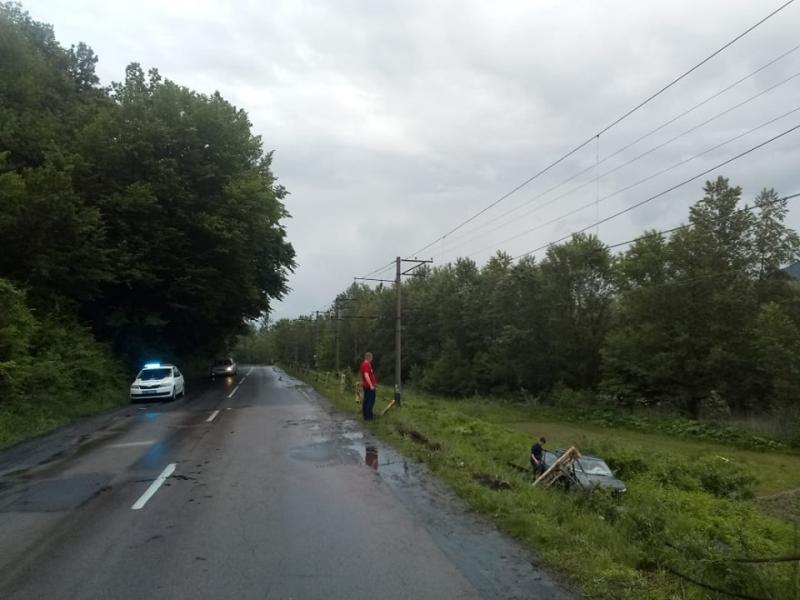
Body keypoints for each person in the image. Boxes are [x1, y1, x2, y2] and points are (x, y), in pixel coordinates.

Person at [360, 352, 377, 421]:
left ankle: (365, 416)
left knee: (366, 400)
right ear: (368, 357)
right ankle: (369, 417)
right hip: (369, 386)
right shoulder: (366, 364)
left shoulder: (363, 364)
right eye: (371, 358)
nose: (372, 359)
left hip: (366, 385)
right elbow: (366, 375)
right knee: (370, 401)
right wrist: (371, 385)